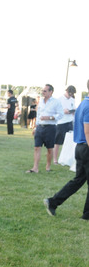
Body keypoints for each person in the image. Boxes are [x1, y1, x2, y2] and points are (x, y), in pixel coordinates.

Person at [44, 80, 89, 220]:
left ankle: (53, 201)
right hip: (86, 147)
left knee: (78, 180)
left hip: (80, 148)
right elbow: (88, 132)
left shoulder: (82, 104)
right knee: (79, 180)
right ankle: (87, 215)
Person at [26, 84, 64, 173]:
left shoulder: (56, 102)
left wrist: (49, 117)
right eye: (42, 90)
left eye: (45, 91)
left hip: (50, 128)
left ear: (51, 92)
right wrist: (35, 127)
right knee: (37, 147)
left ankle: (48, 166)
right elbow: (38, 115)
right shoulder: (41, 102)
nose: (43, 92)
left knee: (50, 149)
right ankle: (35, 168)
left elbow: (61, 114)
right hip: (40, 127)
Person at [53, 85, 76, 164]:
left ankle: (66, 159)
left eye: (72, 94)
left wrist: (73, 111)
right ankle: (55, 159)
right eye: (70, 94)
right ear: (66, 91)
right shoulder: (59, 99)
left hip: (70, 121)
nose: (71, 95)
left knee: (69, 142)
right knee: (58, 142)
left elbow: (74, 108)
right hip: (61, 122)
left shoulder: (72, 100)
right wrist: (63, 111)